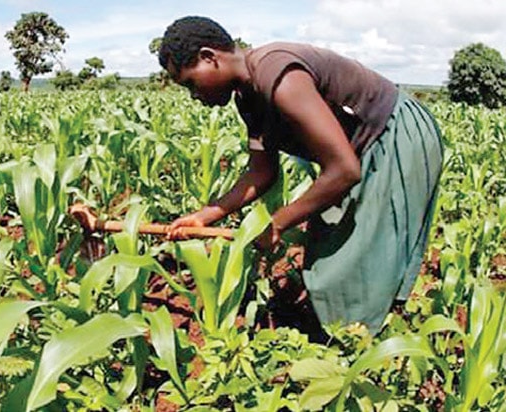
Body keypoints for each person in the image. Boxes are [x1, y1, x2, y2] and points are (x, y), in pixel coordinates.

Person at [162, 16, 444, 336]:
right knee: (330, 249)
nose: (193, 95)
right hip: (357, 152)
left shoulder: (278, 75)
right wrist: (205, 216)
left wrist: (278, 223)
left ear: (209, 57)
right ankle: (353, 332)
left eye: (190, 83)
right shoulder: (249, 99)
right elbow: (261, 172)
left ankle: (364, 341)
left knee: (356, 257)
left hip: (391, 134)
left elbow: (344, 170)